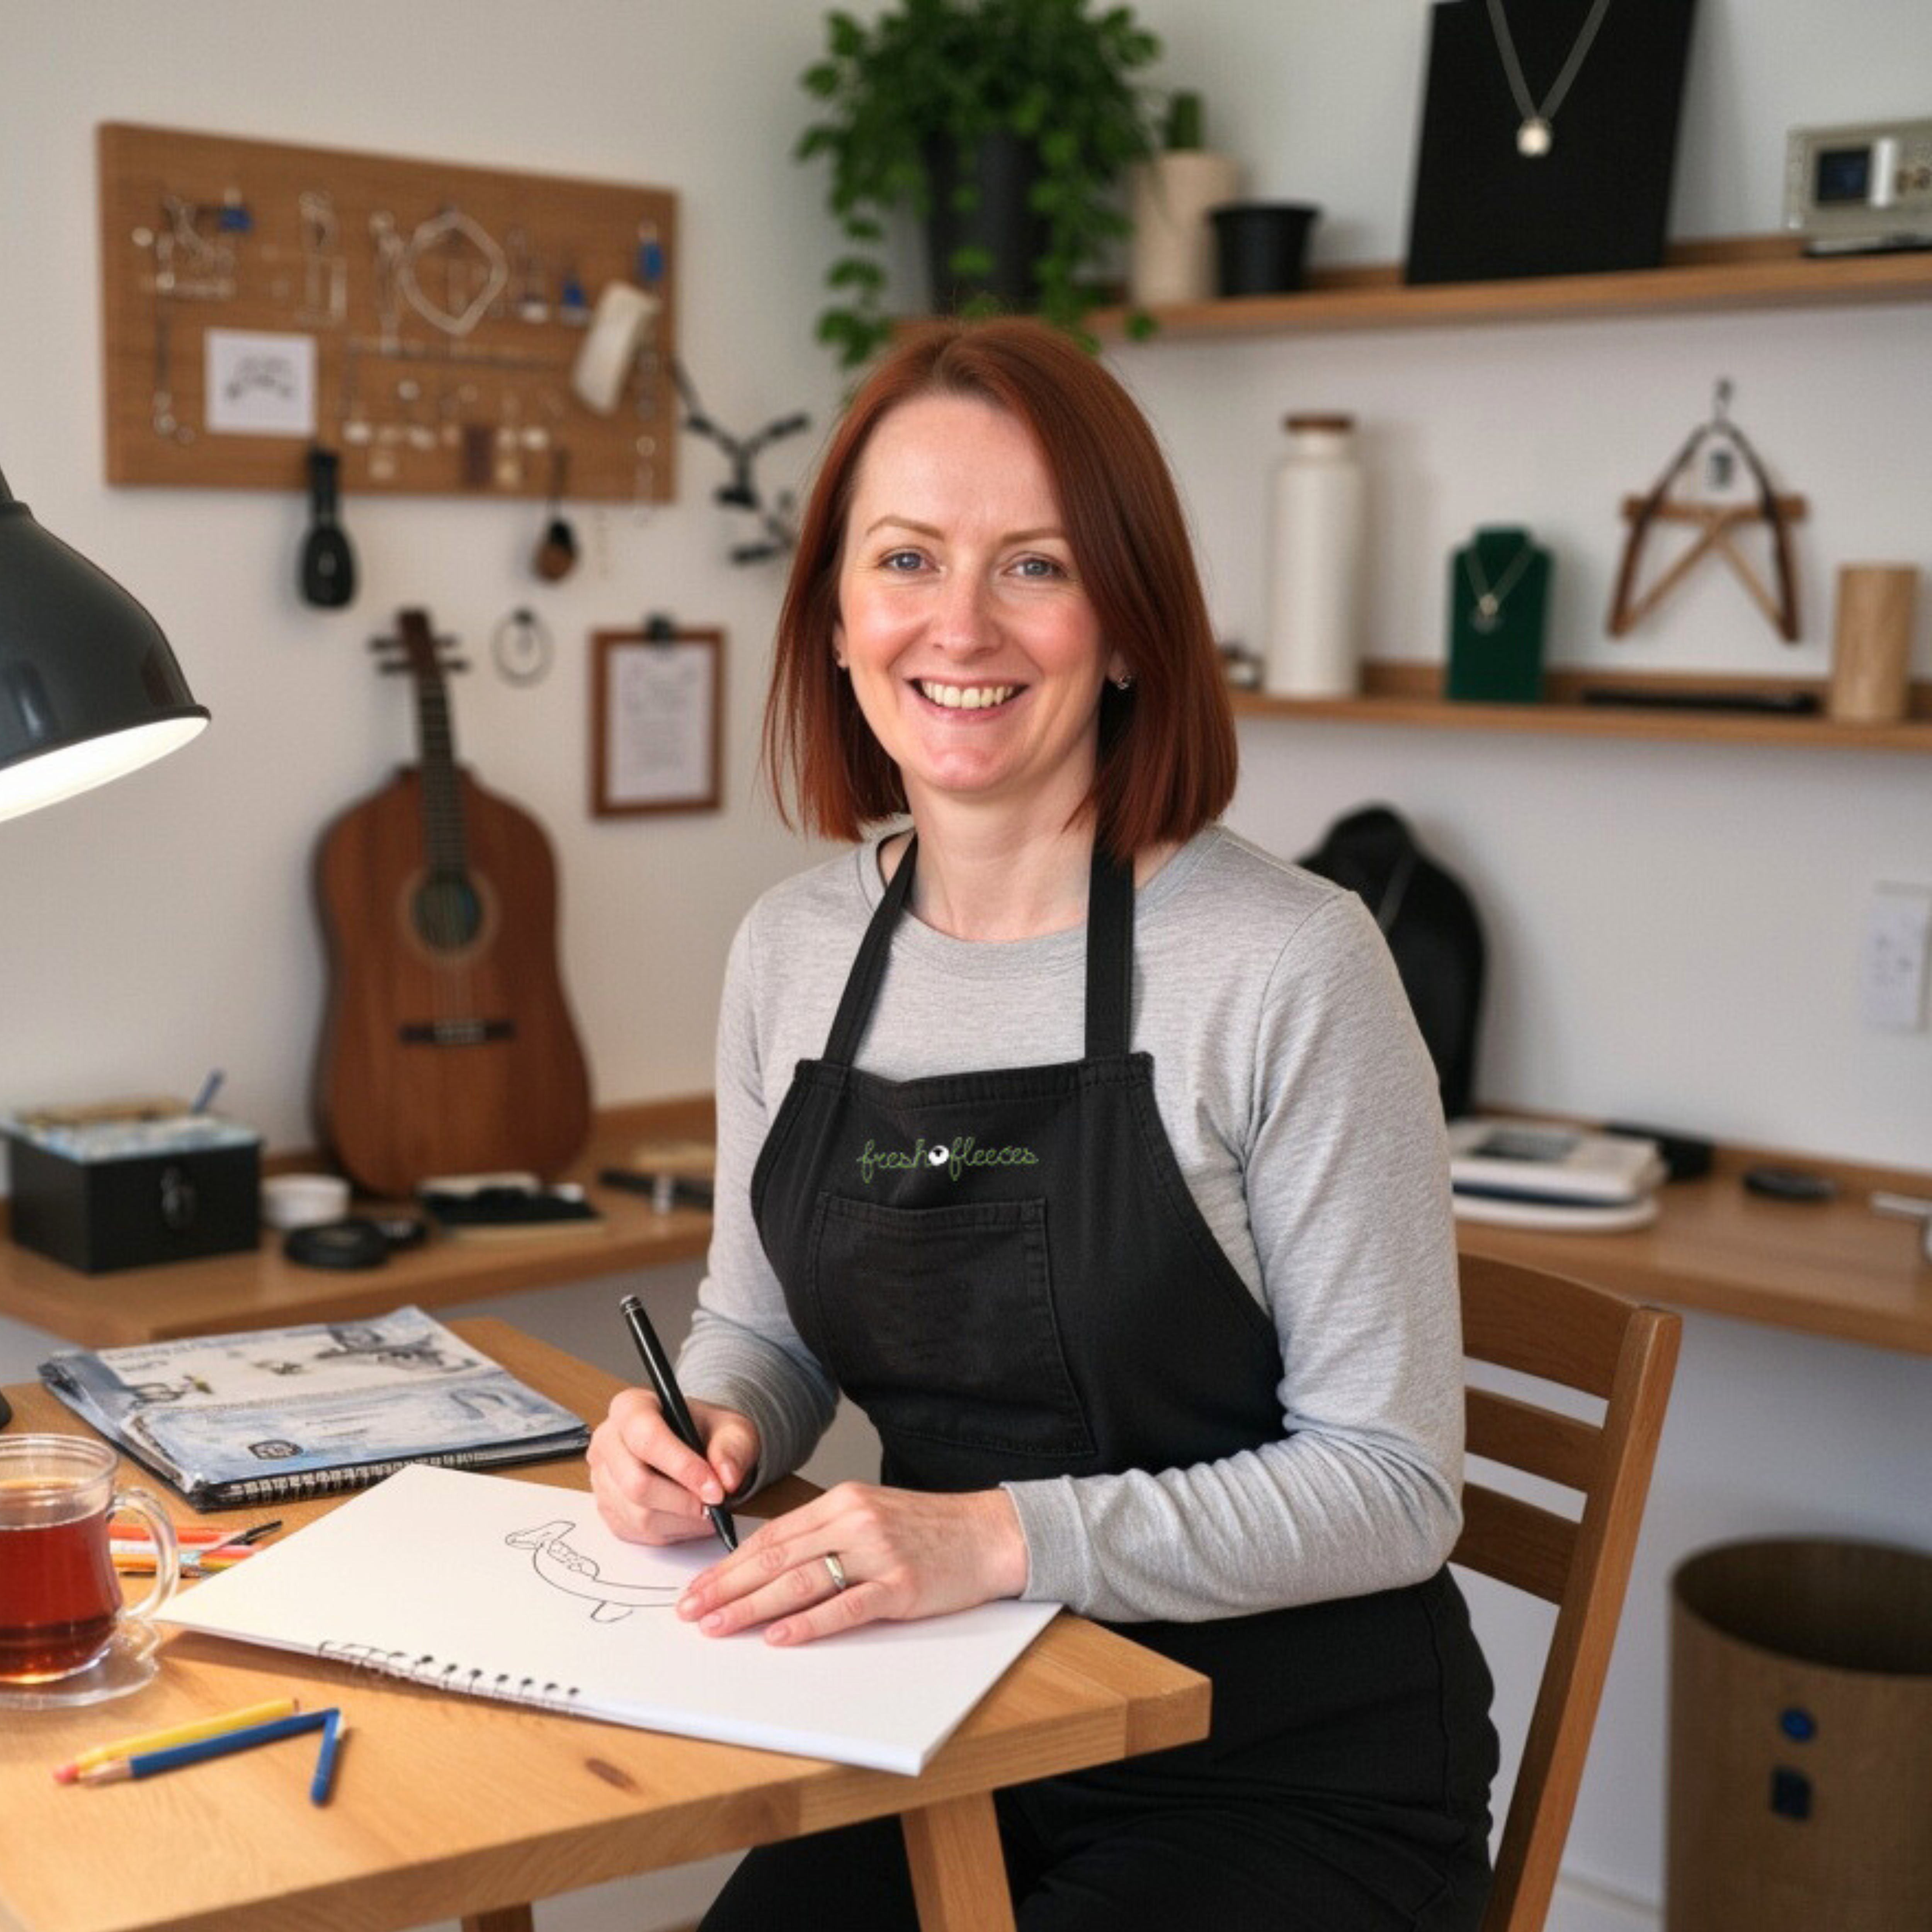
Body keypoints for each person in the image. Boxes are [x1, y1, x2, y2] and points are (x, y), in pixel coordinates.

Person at [589, 317, 1498, 1930]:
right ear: (836, 618)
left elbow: (1390, 1478)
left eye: (1032, 566)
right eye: (906, 559)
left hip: (1277, 1765)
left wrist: (992, 1536)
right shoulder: (792, 949)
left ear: (1130, 627)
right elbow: (760, 1324)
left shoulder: (1287, 959)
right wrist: (710, 1425)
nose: (958, 623)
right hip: (952, 1711)